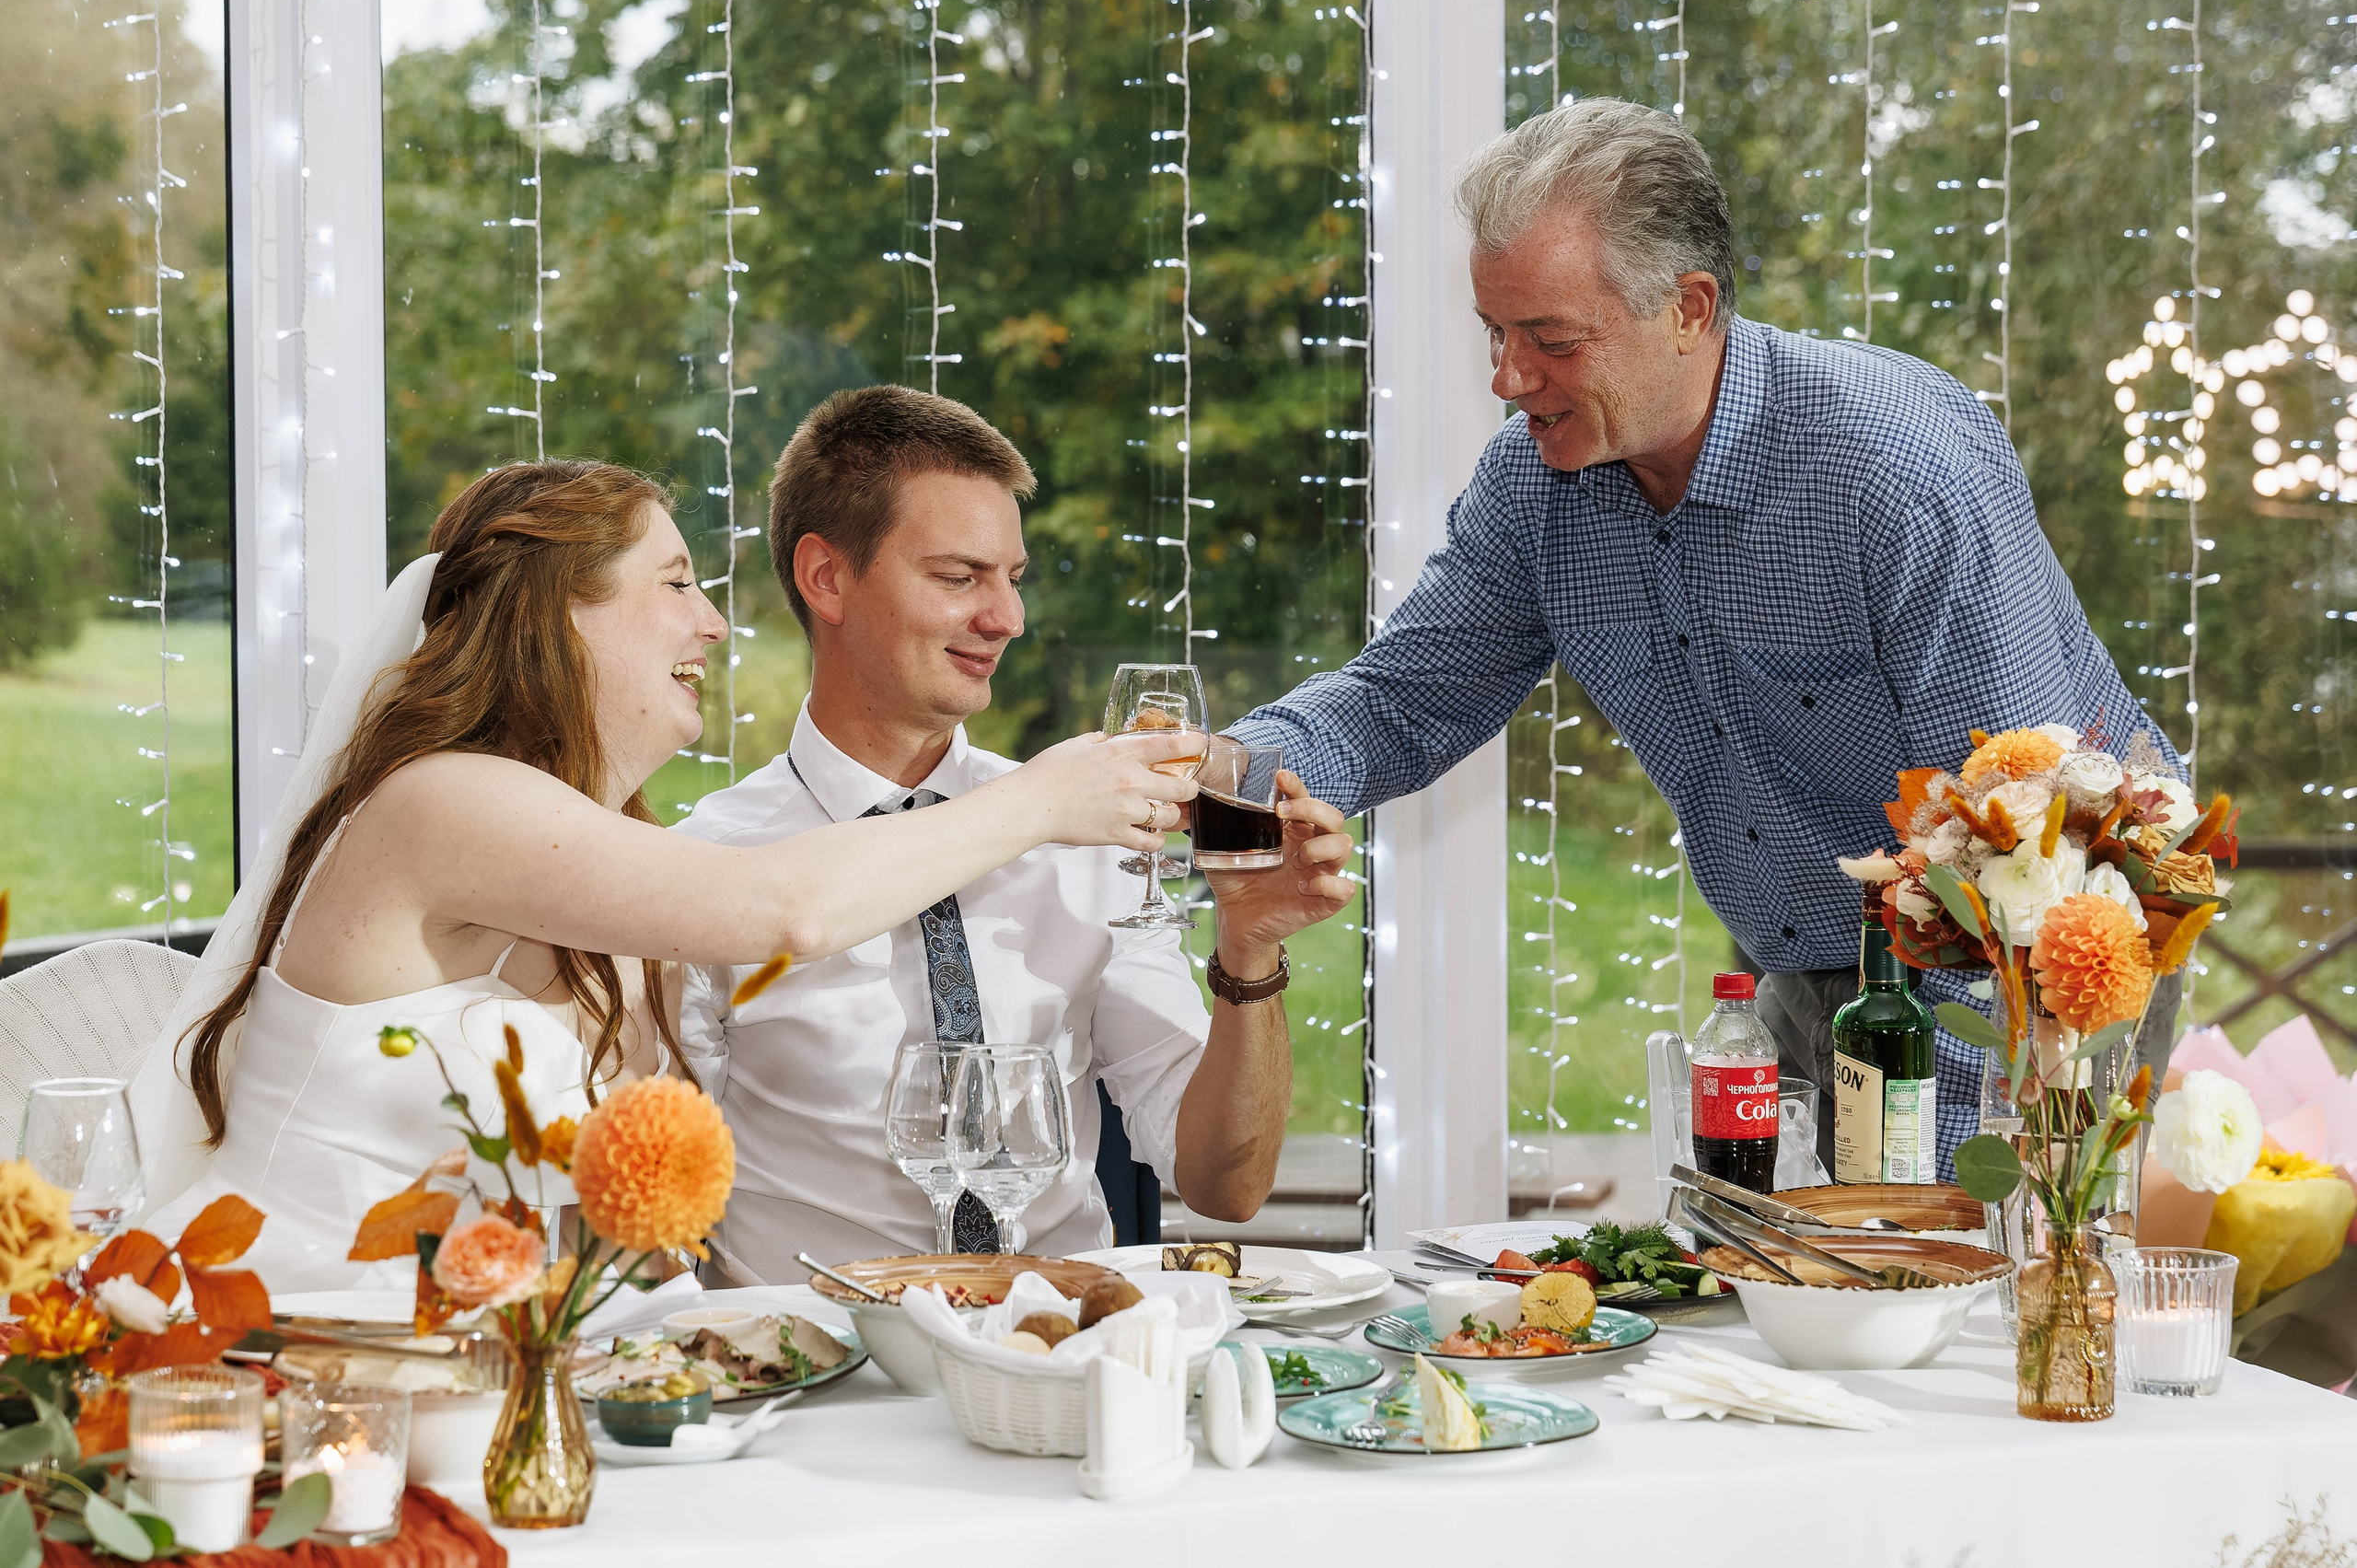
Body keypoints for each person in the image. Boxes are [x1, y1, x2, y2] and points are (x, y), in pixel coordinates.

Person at [1226, 98, 2183, 1179]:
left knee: (1968, 1300)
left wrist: (1939, 1202)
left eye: (1550, 340)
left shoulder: (1891, 470)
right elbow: (1402, 700)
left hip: (2041, 961)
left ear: (1689, 307)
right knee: (1772, 1289)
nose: (1507, 378)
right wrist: (1222, 772)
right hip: (1811, 960)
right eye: (1496, 335)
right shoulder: (1533, 490)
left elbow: (2026, 836)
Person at [130, 459, 1202, 1290]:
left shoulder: (611, 866)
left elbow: (629, 1227)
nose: (715, 621)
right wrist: (1045, 799)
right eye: (678, 581)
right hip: (283, 1332)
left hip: (495, 1357)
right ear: (559, 611)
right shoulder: (441, 800)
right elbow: (788, 909)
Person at [674, 387, 1358, 1279]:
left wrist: (1250, 957)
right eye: (959, 578)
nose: (1007, 620)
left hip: (1060, 1357)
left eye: (1013, 578)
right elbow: (655, 1210)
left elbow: (1226, 1187)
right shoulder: (707, 863)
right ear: (826, 578)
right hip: (826, 1378)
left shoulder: (1086, 831)